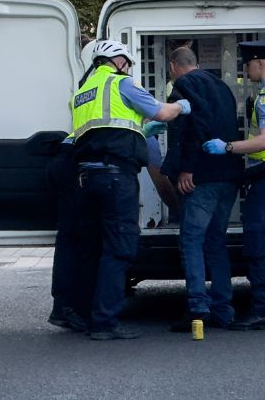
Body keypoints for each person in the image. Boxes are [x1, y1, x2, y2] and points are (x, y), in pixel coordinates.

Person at [47, 40, 189, 340]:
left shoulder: (82, 93)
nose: (129, 68)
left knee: (91, 247)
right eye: (127, 62)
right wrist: (180, 106)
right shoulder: (120, 83)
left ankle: (80, 311)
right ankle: (104, 322)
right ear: (117, 60)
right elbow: (161, 112)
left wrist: (139, 130)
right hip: (116, 177)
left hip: (86, 178)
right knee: (119, 247)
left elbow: (107, 127)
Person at [203, 40, 265, 331]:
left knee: (259, 249)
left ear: (259, 63)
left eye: (247, 64)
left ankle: (263, 312)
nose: (246, 70)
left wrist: (228, 147)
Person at [166, 47, 243, 332]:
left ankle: (198, 307)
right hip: (229, 174)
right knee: (215, 241)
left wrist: (186, 168)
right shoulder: (221, 85)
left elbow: (192, 127)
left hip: (202, 177)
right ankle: (224, 308)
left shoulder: (183, 86)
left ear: (173, 67)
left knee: (191, 240)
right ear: (196, 64)